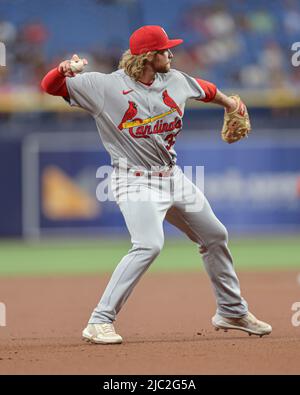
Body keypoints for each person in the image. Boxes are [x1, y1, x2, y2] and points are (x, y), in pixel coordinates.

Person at [41, 25, 272, 344]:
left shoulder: (175, 79)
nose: (171, 54)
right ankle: (99, 320)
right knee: (149, 244)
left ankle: (231, 310)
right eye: (165, 50)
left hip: (172, 176)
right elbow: (51, 87)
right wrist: (61, 70)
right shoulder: (104, 86)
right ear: (149, 57)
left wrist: (229, 104)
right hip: (133, 180)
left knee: (215, 235)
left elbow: (204, 89)